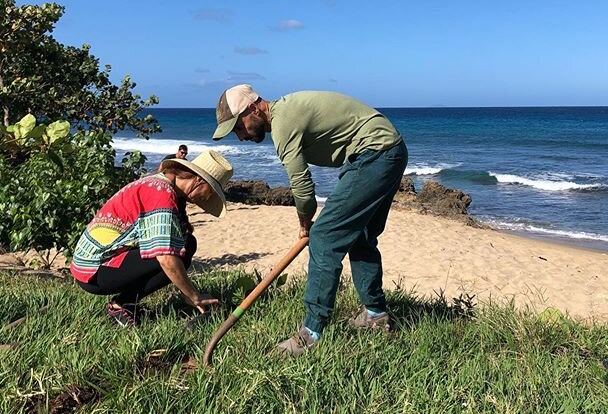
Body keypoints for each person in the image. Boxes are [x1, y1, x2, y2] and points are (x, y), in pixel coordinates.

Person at [212, 85, 408, 356]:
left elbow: (302, 187)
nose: (240, 135)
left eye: (239, 126)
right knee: (360, 237)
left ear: (254, 108)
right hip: (388, 150)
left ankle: (310, 334)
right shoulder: (287, 111)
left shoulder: (283, 122)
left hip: (374, 154)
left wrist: (305, 225)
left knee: (324, 238)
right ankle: (376, 316)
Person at [70, 150, 233, 327]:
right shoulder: (161, 192)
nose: (205, 199)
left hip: (91, 264)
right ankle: (121, 304)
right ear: (198, 180)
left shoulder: (156, 183)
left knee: (185, 242)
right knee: (182, 248)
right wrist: (193, 296)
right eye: (209, 193)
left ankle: (126, 302)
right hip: (95, 271)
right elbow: (165, 257)